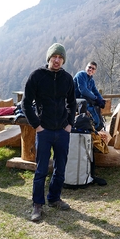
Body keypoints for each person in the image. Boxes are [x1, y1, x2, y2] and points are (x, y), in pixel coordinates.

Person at [21, 43, 77, 222]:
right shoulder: (37, 76)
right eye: (55, 56)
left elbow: (72, 103)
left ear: (63, 60)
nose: (57, 60)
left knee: (60, 168)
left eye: (60, 57)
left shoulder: (67, 78)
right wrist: (37, 125)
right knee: (41, 169)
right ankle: (38, 204)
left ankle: (54, 198)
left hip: (62, 131)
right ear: (49, 58)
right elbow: (25, 103)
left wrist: (69, 124)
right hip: (43, 131)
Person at [73, 61, 106, 130]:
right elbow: (83, 90)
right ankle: (82, 127)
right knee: (84, 101)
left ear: (95, 71)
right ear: (86, 67)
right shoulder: (81, 75)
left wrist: (101, 100)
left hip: (81, 100)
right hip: (72, 99)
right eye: (89, 67)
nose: (90, 69)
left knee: (95, 105)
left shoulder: (91, 80)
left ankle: (96, 126)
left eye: (93, 68)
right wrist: (96, 98)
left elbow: (95, 91)